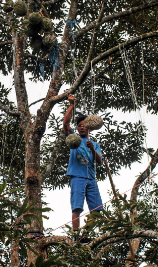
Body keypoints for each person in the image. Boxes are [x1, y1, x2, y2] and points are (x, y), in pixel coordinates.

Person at [63, 94, 103, 235]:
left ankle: (85, 234)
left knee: (97, 210)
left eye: (84, 125)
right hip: (77, 177)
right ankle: (75, 235)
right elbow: (65, 124)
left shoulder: (95, 144)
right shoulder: (74, 138)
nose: (81, 127)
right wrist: (72, 105)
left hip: (91, 179)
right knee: (77, 208)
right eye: (79, 125)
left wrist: (92, 148)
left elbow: (99, 161)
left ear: (89, 128)